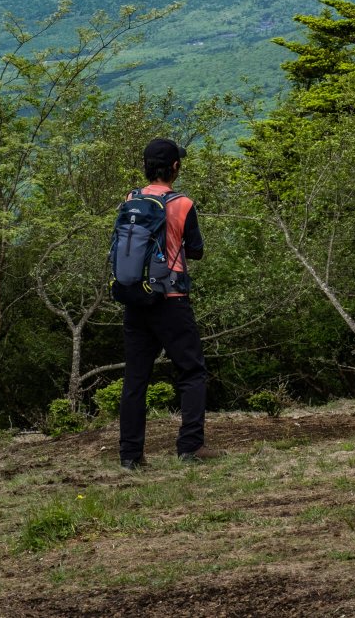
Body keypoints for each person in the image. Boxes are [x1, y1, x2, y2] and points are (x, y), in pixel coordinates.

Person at [118, 137, 213, 469]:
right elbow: (197, 250)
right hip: (171, 298)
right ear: (175, 167)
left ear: (145, 167)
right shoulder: (183, 203)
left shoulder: (131, 199)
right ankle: (190, 447)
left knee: (135, 378)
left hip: (135, 297)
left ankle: (130, 456)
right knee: (191, 370)